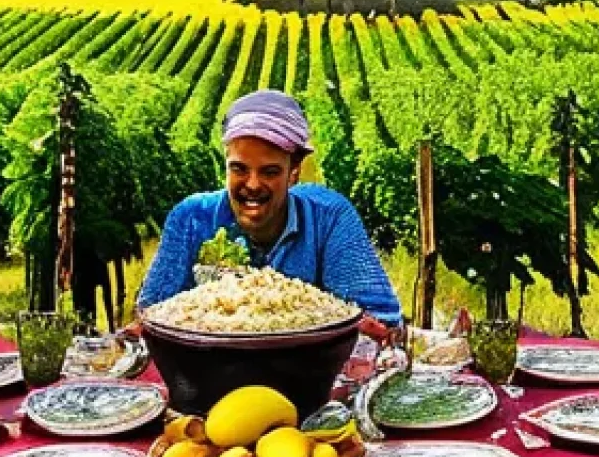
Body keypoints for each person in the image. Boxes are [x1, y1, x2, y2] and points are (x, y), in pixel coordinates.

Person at [137, 90, 402, 326]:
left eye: (270, 172)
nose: (252, 184)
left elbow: (379, 321)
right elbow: (150, 318)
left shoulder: (330, 217)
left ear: (294, 172)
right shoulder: (191, 218)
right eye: (239, 169)